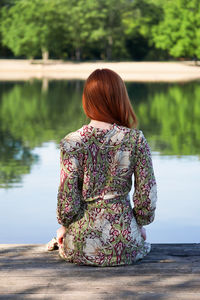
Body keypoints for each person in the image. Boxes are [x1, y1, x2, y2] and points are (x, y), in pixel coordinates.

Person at [47, 68, 157, 267]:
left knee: (65, 241)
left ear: (87, 100)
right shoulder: (135, 139)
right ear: (120, 98)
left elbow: (67, 199)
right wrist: (138, 224)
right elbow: (146, 196)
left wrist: (64, 226)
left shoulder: (72, 142)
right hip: (126, 244)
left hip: (81, 246)